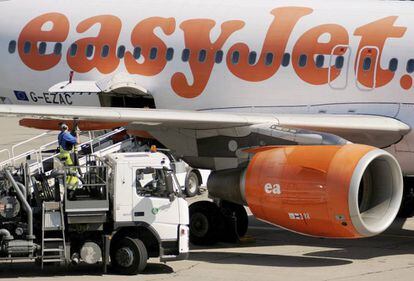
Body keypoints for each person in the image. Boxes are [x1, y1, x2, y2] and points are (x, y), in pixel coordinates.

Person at [57, 123, 80, 197]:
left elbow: (69, 138)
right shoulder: (66, 135)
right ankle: (71, 194)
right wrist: (77, 134)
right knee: (73, 176)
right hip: (69, 157)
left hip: (64, 156)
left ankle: (68, 192)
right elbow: (77, 142)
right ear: (66, 127)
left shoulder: (61, 134)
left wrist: (73, 130)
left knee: (68, 175)